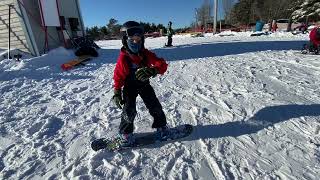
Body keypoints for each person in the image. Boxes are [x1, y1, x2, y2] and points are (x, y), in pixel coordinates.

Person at [112, 21, 169, 147]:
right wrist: (117, 92)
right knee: (129, 110)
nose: (136, 43)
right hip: (129, 88)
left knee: (155, 106)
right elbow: (118, 76)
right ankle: (125, 134)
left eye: (138, 39)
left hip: (144, 86)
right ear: (125, 40)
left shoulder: (146, 54)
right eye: (132, 40)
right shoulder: (124, 58)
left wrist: (154, 70)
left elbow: (162, 64)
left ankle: (162, 127)